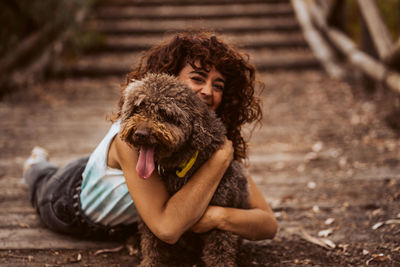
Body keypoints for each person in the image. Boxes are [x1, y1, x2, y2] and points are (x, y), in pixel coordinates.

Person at [23, 30, 277, 244]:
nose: (208, 91)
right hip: (67, 200)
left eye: (218, 85)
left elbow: (267, 223)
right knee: (40, 178)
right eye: (198, 79)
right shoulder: (134, 138)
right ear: (167, 79)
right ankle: (35, 163)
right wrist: (218, 162)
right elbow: (167, 228)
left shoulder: (210, 140)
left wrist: (217, 216)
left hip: (115, 197)